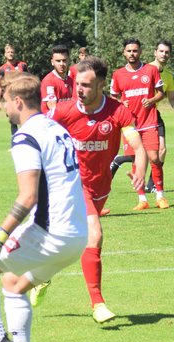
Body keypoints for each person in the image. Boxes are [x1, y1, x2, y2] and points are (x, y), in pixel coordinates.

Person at [0, 72, 87, 342]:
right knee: (14, 284)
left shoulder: (26, 136)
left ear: (17, 101)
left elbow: (28, 196)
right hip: (77, 236)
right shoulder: (56, 128)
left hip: (51, 233)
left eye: (4, 101)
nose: (3, 108)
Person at [36, 57, 147, 324]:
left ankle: (41, 274)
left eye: (86, 85)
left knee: (73, 240)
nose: (79, 90)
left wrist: (141, 167)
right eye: (77, 84)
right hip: (72, 183)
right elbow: (38, 132)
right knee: (94, 235)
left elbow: (138, 145)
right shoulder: (63, 111)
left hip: (101, 185)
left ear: (100, 85)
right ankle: (97, 304)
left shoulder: (117, 111)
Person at [109, 38, 166, 210]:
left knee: (154, 158)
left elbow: (161, 93)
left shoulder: (151, 70)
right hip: (129, 124)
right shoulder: (118, 74)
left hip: (149, 122)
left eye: (135, 50)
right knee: (136, 160)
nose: (132, 54)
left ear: (140, 52)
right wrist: (121, 104)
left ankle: (160, 196)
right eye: (129, 51)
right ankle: (142, 199)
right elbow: (114, 96)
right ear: (124, 53)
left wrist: (152, 100)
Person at [145, 40, 174, 193]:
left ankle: (151, 184)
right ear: (155, 53)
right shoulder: (145, 69)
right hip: (140, 116)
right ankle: (118, 160)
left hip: (154, 115)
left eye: (167, 52)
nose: (164, 54)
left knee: (161, 150)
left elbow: (172, 98)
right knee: (138, 153)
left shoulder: (168, 76)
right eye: (161, 51)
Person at [0, 44, 29, 134]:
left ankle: (26, 140)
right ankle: (15, 141)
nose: (10, 54)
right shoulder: (1, 69)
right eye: (8, 52)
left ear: (15, 54)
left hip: (22, 96)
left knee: (24, 118)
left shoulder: (23, 66)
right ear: (5, 54)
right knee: (13, 120)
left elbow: (29, 80)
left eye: (12, 52)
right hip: (10, 98)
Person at [40, 44, 73, 114]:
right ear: (52, 62)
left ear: (69, 60)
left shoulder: (72, 81)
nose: (61, 64)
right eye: (58, 61)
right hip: (52, 123)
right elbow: (53, 108)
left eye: (64, 60)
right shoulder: (48, 81)